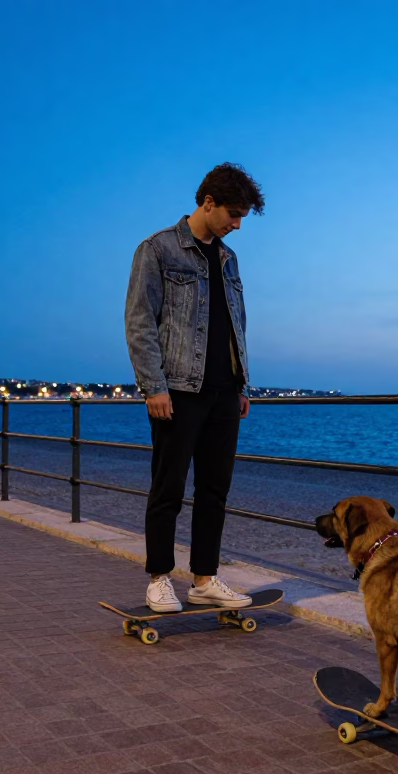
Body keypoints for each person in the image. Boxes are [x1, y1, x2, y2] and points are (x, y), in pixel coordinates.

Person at [125, 163, 266, 613]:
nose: (237, 224)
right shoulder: (158, 250)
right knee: (167, 488)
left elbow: (234, 323)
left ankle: (204, 578)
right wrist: (154, 386)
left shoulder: (228, 259)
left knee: (214, 490)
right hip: (178, 390)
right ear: (208, 203)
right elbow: (140, 321)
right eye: (233, 213)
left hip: (225, 392)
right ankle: (159, 579)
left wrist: (241, 382)